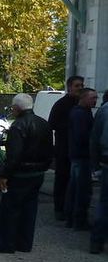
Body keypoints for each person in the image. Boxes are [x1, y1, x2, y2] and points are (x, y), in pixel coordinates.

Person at [0, 94, 53, 254]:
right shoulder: (43, 123)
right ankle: (24, 243)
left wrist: (4, 175)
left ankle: (6, 243)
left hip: (20, 174)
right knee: (29, 209)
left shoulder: (18, 126)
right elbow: (50, 149)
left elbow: (13, 155)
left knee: (9, 209)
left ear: (17, 108)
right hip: (37, 172)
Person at [48, 75, 84, 219]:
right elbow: (51, 124)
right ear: (69, 87)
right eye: (77, 86)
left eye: (81, 85)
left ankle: (71, 208)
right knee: (62, 178)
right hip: (64, 148)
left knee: (74, 181)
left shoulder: (81, 105)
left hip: (77, 148)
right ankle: (60, 208)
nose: (80, 88)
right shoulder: (61, 104)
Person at [64, 87, 97, 230]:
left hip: (78, 155)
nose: (95, 100)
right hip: (81, 156)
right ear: (83, 98)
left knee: (75, 188)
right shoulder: (80, 114)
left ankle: (72, 218)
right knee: (81, 189)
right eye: (92, 98)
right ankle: (78, 220)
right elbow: (82, 136)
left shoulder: (82, 112)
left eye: (96, 98)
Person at [90, 94, 108, 254]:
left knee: (104, 203)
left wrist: (95, 165)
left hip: (106, 161)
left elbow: (94, 140)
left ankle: (97, 241)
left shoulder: (103, 110)